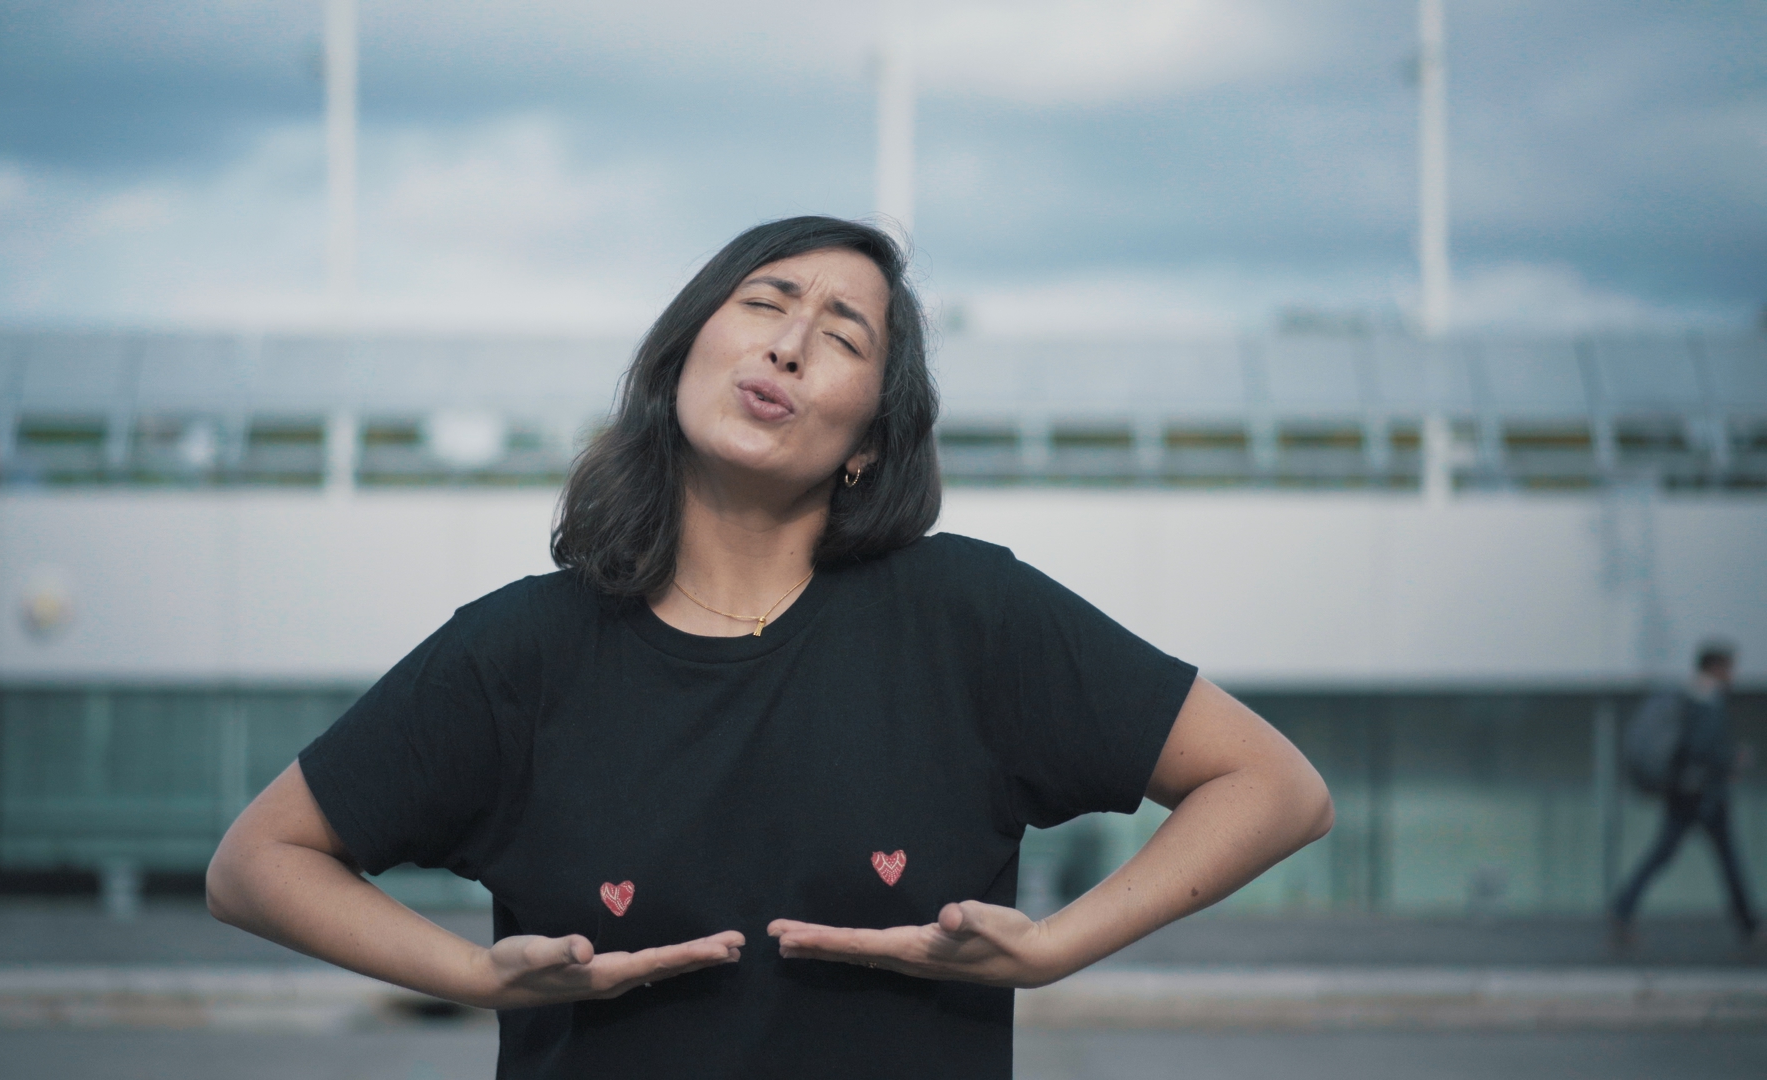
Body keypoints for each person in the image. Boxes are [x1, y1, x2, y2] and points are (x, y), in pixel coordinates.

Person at [205, 216, 1334, 1078]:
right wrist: (472, 974)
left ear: (869, 442)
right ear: (682, 355)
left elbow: (1275, 788)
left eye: (842, 336)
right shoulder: (520, 651)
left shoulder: (968, 618)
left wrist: (1053, 949)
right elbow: (256, 865)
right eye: (765, 303)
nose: (790, 345)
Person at [1612, 641, 1758, 945]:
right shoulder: (1706, 701)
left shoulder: (1686, 698)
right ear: (1716, 668)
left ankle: (1623, 910)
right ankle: (1749, 926)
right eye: (1729, 668)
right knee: (1726, 859)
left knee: (1663, 855)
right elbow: (1702, 748)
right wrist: (1731, 760)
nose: (1732, 676)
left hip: (1684, 793)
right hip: (1703, 796)